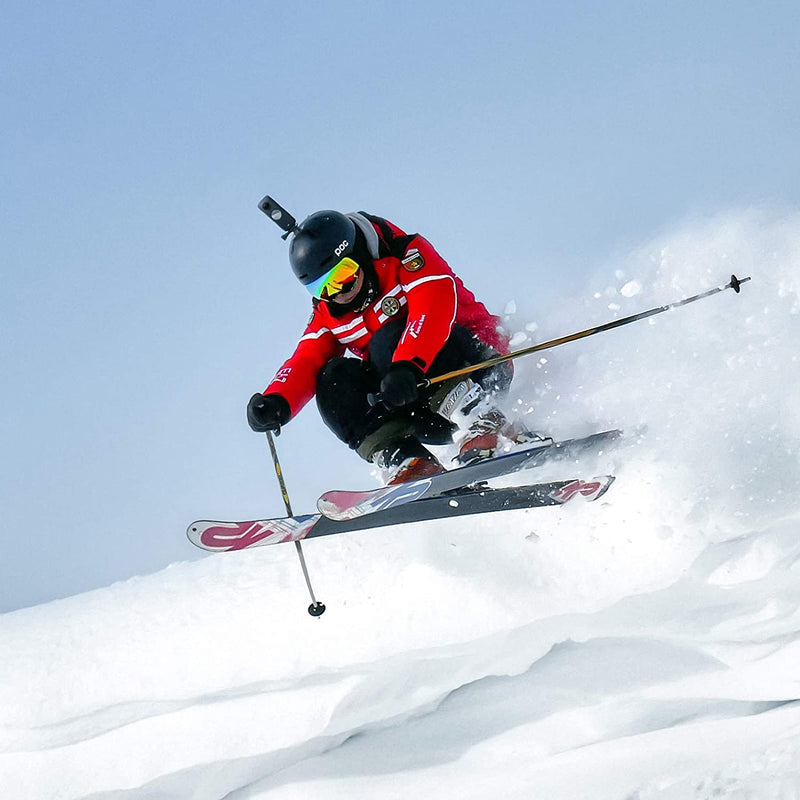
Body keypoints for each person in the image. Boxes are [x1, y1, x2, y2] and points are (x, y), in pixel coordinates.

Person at [247, 209, 534, 484]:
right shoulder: (330, 312)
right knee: (332, 378)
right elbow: (306, 359)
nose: (338, 294)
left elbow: (433, 305)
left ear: (358, 255)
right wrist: (277, 402)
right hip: (415, 402)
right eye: (322, 288)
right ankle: (408, 461)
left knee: (387, 340)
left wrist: (407, 365)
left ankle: (487, 421)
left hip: (476, 369)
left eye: (343, 277)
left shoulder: (405, 254)